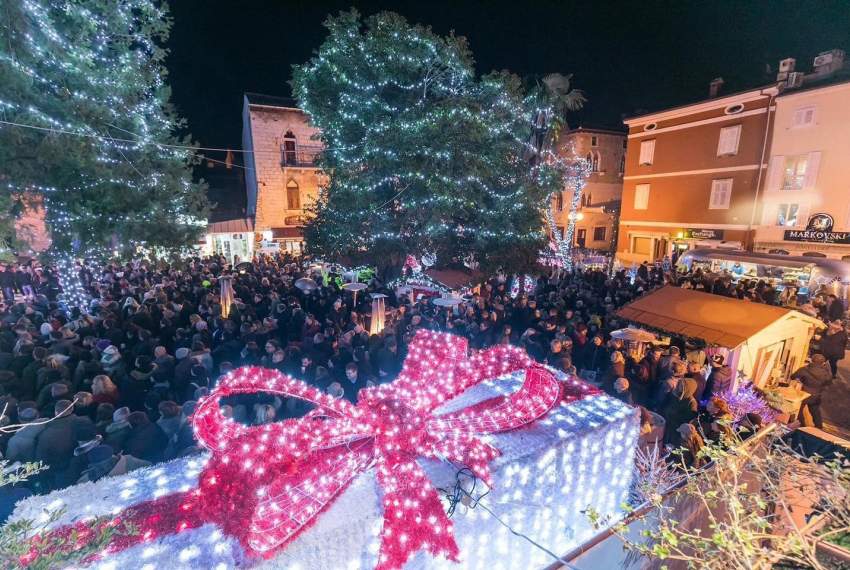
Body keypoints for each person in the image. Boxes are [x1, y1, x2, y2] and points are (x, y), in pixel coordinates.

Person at [791, 354, 833, 429]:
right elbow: (829, 382)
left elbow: (793, 376)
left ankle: (802, 425)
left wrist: (800, 380)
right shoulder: (826, 373)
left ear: (811, 360)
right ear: (823, 363)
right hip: (816, 395)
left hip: (804, 394)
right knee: (815, 412)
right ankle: (819, 427)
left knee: (799, 410)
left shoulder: (804, 369)